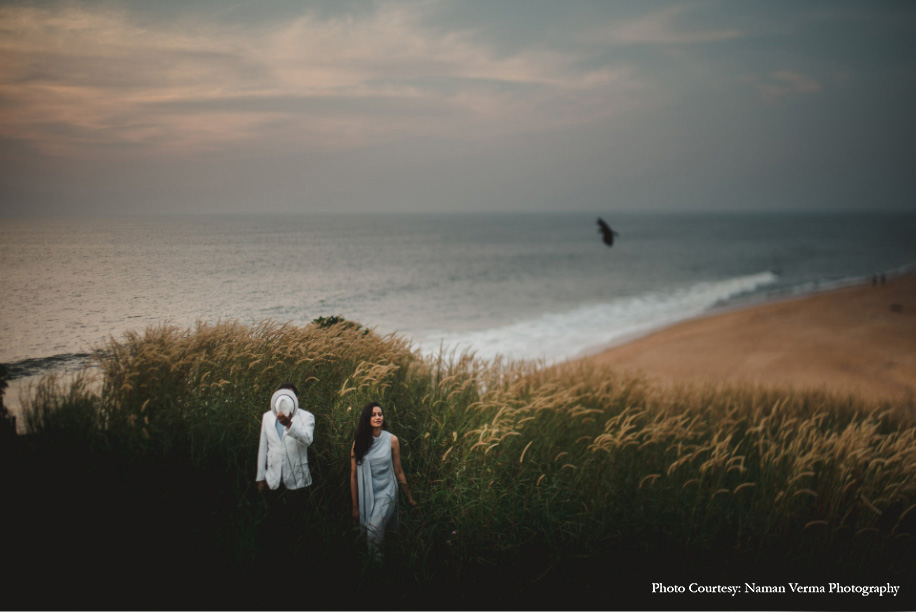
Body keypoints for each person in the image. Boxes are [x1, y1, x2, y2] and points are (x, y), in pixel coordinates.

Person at [350, 401, 416, 558]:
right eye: (373, 415)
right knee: (373, 532)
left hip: (387, 491)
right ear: (367, 419)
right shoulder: (358, 443)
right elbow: (353, 476)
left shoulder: (392, 440)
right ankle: (378, 566)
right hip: (368, 492)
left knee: (373, 529)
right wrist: (355, 506)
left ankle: (377, 568)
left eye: (380, 414)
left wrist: (410, 497)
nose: (378, 417)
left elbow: (398, 471)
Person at [256, 384, 315, 491]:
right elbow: (263, 447)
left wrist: (290, 425)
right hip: (273, 480)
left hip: (298, 480)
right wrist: (260, 477)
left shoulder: (307, 416)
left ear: (296, 399)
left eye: (290, 396)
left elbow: (308, 440)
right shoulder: (267, 417)